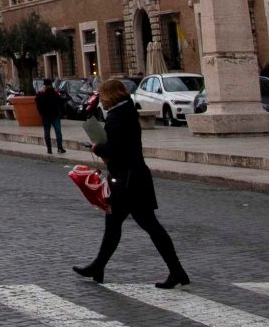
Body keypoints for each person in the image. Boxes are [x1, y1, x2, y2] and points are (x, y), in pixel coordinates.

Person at [73, 76, 188, 289]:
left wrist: (96, 148)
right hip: (134, 178)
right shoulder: (128, 112)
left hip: (127, 182)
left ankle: (176, 270)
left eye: (103, 96)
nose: (102, 101)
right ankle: (98, 266)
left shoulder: (117, 117)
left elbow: (117, 149)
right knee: (117, 225)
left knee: (145, 226)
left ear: (109, 96)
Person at [35, 79, 66, 155]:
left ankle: (60, 147)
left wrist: (63, 113)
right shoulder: (42, 94)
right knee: (47, 133)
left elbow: (60, 103)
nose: (48, 86)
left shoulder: (54, 93)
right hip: (46, 116)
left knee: (58, 132)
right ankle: (49, 149)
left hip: (54, 115)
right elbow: (38, 102)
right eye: (47, 85)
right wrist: (41, 113)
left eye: (49, 85)